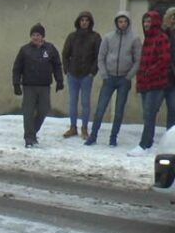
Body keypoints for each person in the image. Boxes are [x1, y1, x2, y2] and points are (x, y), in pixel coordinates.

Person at [85, 11, 141, 147]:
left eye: (125, 21)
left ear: (128, 23)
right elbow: (101, 57)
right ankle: (93, 136)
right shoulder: (108, 37)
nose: (122, 24)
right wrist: (104, 74)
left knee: (119, 110)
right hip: (109, 78)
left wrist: (129, 76)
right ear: (116, 23)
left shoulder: (134, 38)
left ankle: (113, 137)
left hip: (124, 79)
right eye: (120, 21)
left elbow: (138, 60)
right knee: (100, 109)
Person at [128, 11, 172, 156]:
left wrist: (149, 72)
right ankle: (148, 144)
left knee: (149, 113)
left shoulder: (161, 38)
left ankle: (144, 144)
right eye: (145, 21)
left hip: (157, 83)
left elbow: (164, 59)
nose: (146, 24)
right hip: (145, 83)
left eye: (149, 21)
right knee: (148, 115)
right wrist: (141, 78)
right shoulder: (147, 39)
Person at [13, 24, 64, 148]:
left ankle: (32, 132)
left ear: (43, 36)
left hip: (44, 86)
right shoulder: (25, 50)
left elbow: (57, 65)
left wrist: (59, 80)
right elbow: (17, 68)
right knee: (28, 112)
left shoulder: (50, 49)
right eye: (33, 35)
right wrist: (16, 84)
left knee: (43, 110)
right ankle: (29, 138)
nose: (35, 37)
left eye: (38, 35)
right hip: (29, 86)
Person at [61, 11, 101, 139]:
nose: (84, 22)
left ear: (90, 22)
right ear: (78, 22)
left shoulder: (95, 37)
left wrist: (92, 72)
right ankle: (73, 127)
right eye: (82, 20)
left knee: (85, 102)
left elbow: (98, 56)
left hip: (86, 75)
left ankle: (84, 128)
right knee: (73, 102)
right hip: (73, 74)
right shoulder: (72, 37)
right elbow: (65, 54)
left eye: (86, 20)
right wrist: (66, 69)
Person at [162, 7, 175, 130]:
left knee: (172, 107)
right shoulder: (163, 33)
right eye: (172, 17)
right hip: (161, 76)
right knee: (152, 108)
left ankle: (170, 133)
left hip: (173, 77)